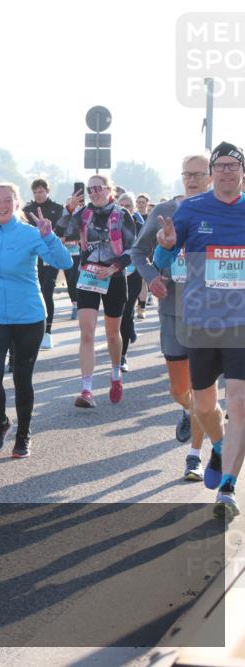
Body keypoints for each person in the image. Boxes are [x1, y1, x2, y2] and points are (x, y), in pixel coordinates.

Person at [154, 141, 245, 519]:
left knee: (239, 403)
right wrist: (166, 246)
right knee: (204, 406)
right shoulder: (191, 209)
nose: (225, 171)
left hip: (240, 322)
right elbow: (162, 256)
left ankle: (228, 487)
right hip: (201, 320)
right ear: (212, 173)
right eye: (219, 166)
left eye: (232, 166)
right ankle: (219, 446)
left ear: (242, 172)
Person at [132, 154, 223, 481]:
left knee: (202, 391)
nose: (192, 180)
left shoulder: (222, 210)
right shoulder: (165, 210)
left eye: (198, 174)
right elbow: (137, 252)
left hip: (210, 315)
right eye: (187, 174)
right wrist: (152, 278)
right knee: (179, 390)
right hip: (172, 310)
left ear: (211, 176)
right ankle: (190, 411)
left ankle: (195, 456)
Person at [0, 184, 72, 457]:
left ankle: (24, 434)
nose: (1, 205)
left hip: (28, 316)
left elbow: (64, 263)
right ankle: (1, 421)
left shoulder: (31, 233)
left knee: (22, 378)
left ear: (16, 203)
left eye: (7, 200)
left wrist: (49, 237)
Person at [57, 174, 140, 407]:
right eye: (90, 189)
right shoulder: (83, 214)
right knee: (87, 333)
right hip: (88, 275)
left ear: (109, 189)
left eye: (98, 188)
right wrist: (68, 209)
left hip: (114, 277)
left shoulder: (122, 214)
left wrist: (114, 267)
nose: (94, 192)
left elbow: (132, 248)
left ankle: (115, 373)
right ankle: (86, 389)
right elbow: (61, 233)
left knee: (113, 333)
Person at [22, 178, 66, 350]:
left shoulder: (57, 208)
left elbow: (63, 232)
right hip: (31, 256)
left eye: (41, 191)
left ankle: (47, 332)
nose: (38, 195)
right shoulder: (26, 210)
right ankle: (32, 329)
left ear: (48, 191)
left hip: (50, 255)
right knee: (32, 291)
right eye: (35, 192)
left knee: (47, 291)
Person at [116, 192, 145, 371]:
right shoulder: (110, 224)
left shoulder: (140, 226)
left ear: (133, 208)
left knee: (126, 314)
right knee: (117, 316)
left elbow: (148, 249)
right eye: (122, 206)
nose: (125, 209)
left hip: (133, 275)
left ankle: (122, 356)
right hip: (115, 275)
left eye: (128, 206)